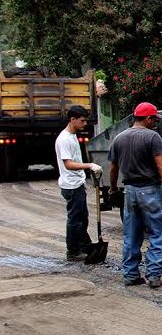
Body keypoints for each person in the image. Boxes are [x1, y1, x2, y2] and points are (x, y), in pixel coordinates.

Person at [108, 102, 162, 288]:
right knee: (159, 234)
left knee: (131, 235)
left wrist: (113, 189)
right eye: (154, 119)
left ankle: (130, 275)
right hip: (151, 191)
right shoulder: (152, 137)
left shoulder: (119, 138)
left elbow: (113, 168)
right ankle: (154, 276)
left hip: (129, 191)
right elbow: (161, 165)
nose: (156, 122)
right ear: (147, 118)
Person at [54, 105, 103, 261]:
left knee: (83, 217)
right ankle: (73, 251)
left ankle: (84, 245)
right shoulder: (64, 139)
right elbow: (68, 164)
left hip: (77, 183)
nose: (85, 124)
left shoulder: (73, 135)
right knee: (75, 219)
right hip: (71, 185)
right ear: (72, 119)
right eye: (82, 121)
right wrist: (89, 166)